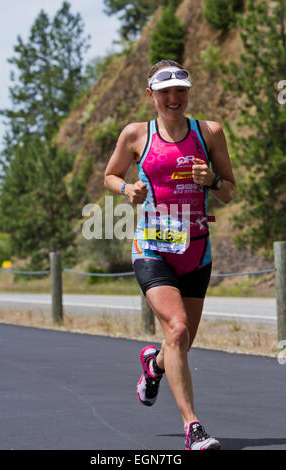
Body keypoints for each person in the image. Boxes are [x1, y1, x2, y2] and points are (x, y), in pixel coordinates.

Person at [104, 59, 235, 451]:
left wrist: (211, 180)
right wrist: (127, 190)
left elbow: (229, 191)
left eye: (180, 90)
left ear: (188, 93)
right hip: (152, 249)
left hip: (196, 251)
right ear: (152, 95)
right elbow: (110, 175)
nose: (174, 98)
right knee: (175, 330)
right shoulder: (135, 135)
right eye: (165, 92)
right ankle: (193, 427)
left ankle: (153, 365)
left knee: (180, 342)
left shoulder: (209, 133)